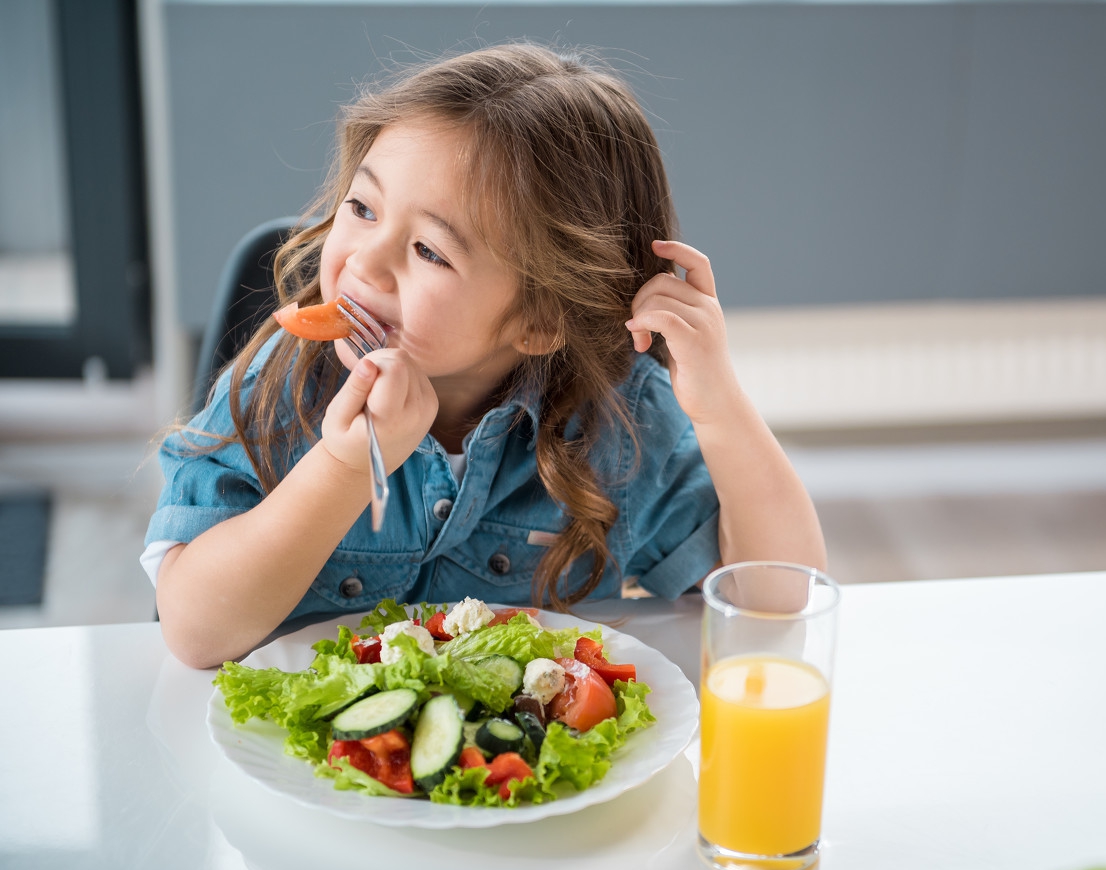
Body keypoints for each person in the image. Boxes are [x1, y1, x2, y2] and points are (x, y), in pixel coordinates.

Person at [143, 43, 825, 669]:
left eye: (429, 251)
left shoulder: (622, 424)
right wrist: (345, 466)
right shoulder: (283, 382)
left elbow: (779, 603)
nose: (366, 263)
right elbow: (194, 629)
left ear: (538, 319)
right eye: (363, 207)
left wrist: (721, 407)